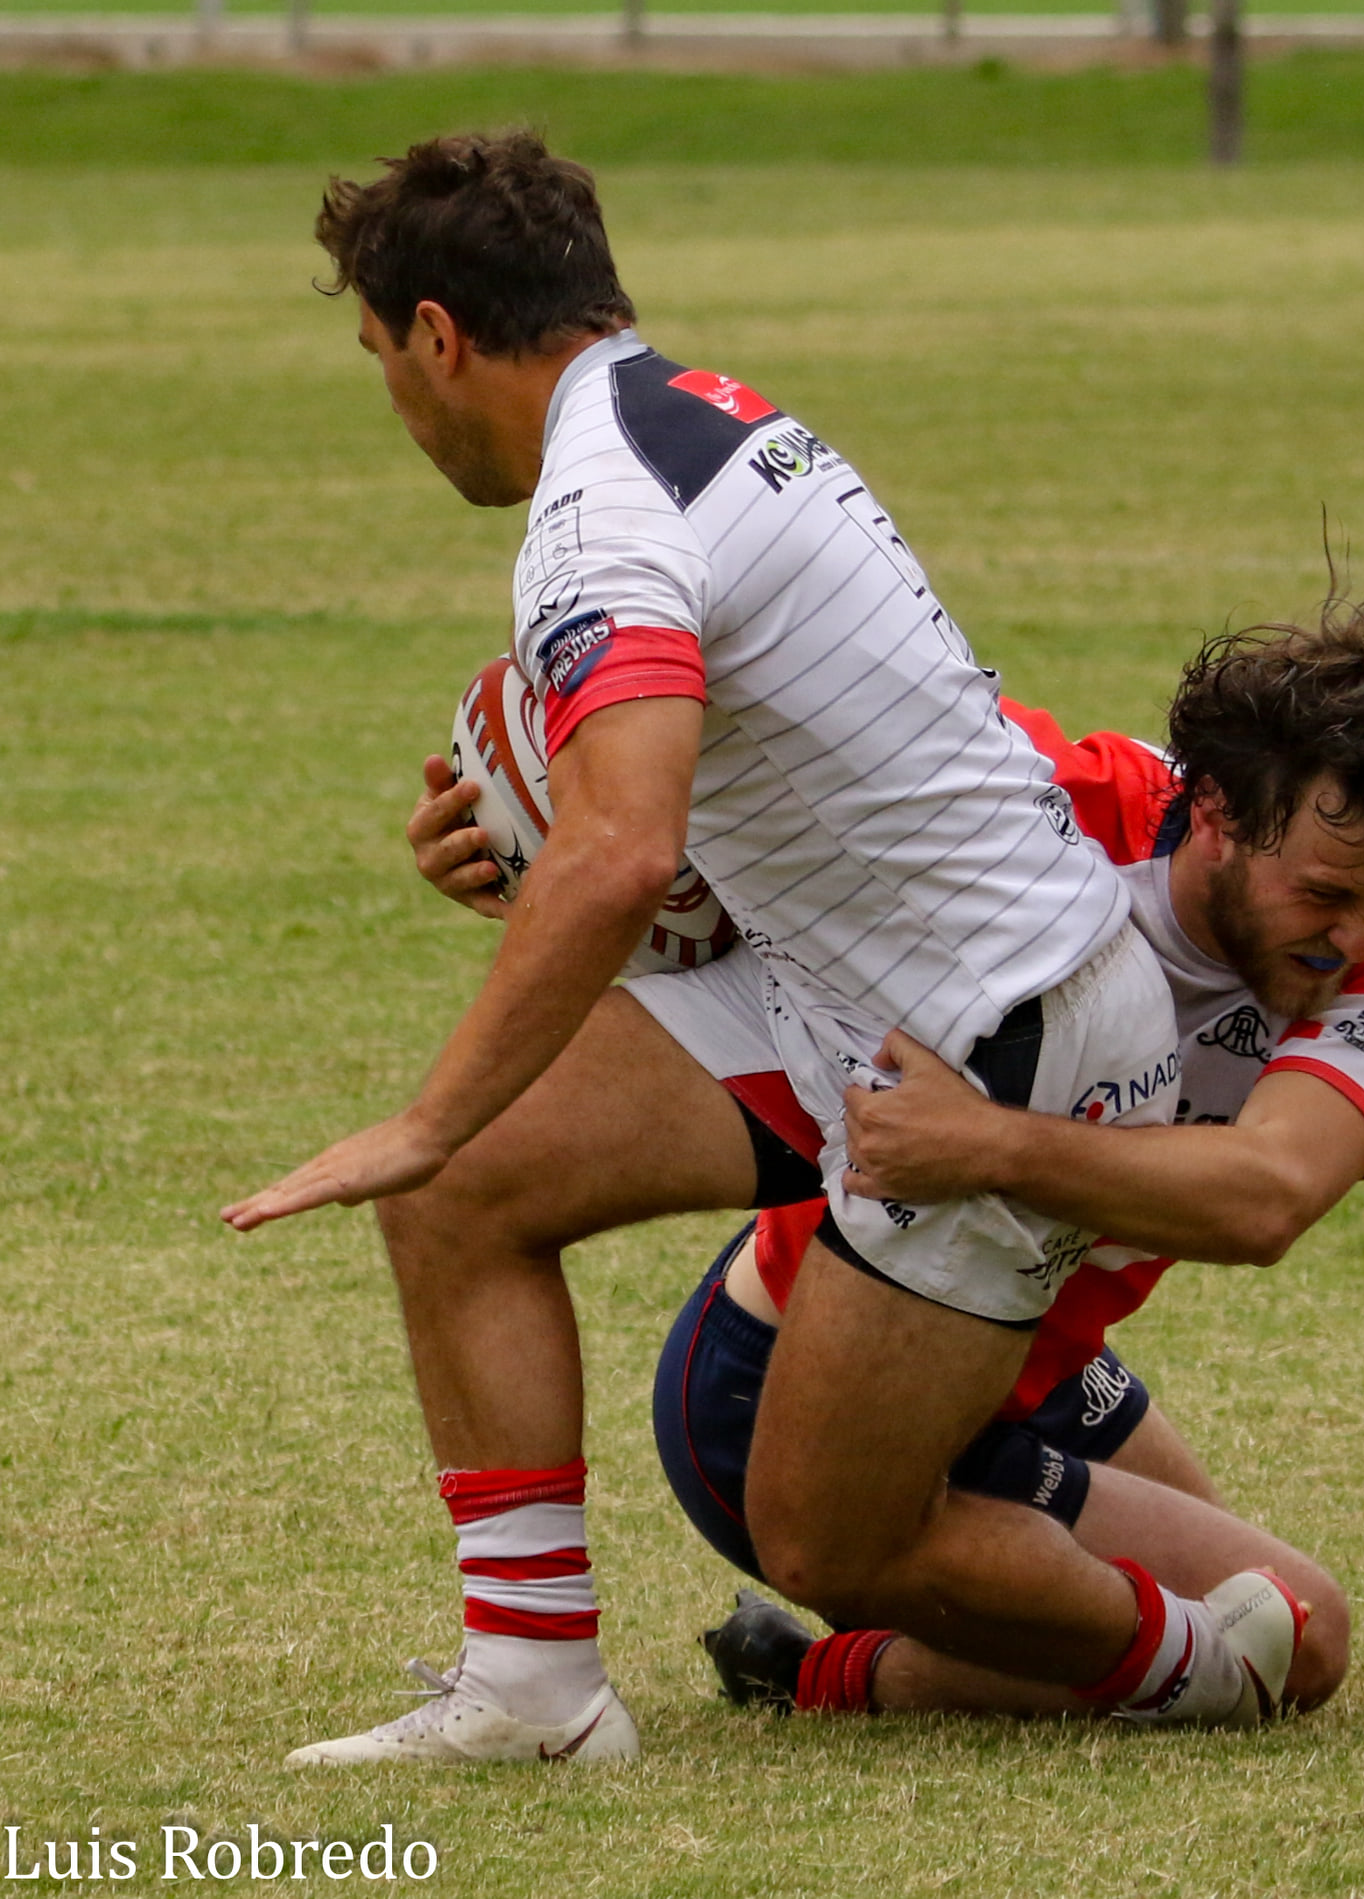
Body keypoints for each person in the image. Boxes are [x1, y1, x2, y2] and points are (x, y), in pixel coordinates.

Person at [220, 130, 1294, 1766]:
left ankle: (1194, 1662)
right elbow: (733, 822)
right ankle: (532, 1690)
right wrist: (523, 853)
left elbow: (622, 849)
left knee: (828, 1537)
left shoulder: (602, 514)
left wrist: (428, 1106)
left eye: (377, 355)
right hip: (855, 993)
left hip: (997, 1038)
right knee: (465, 1196)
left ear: (437, 334)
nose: (393, 399)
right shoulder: (697, 419)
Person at [654, 601, 1364, 1722]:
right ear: (1216, 813)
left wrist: (987, 1142)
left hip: (1034, 1369)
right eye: (1326, 894)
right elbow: (751, 753)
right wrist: (515, 846)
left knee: (1269, 1630)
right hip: (778, 1383)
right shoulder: (1044, 807)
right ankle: (811, 1672)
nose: (1356, 937)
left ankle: (834, 1660)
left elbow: (1266, 1197)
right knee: (1293, 1637)